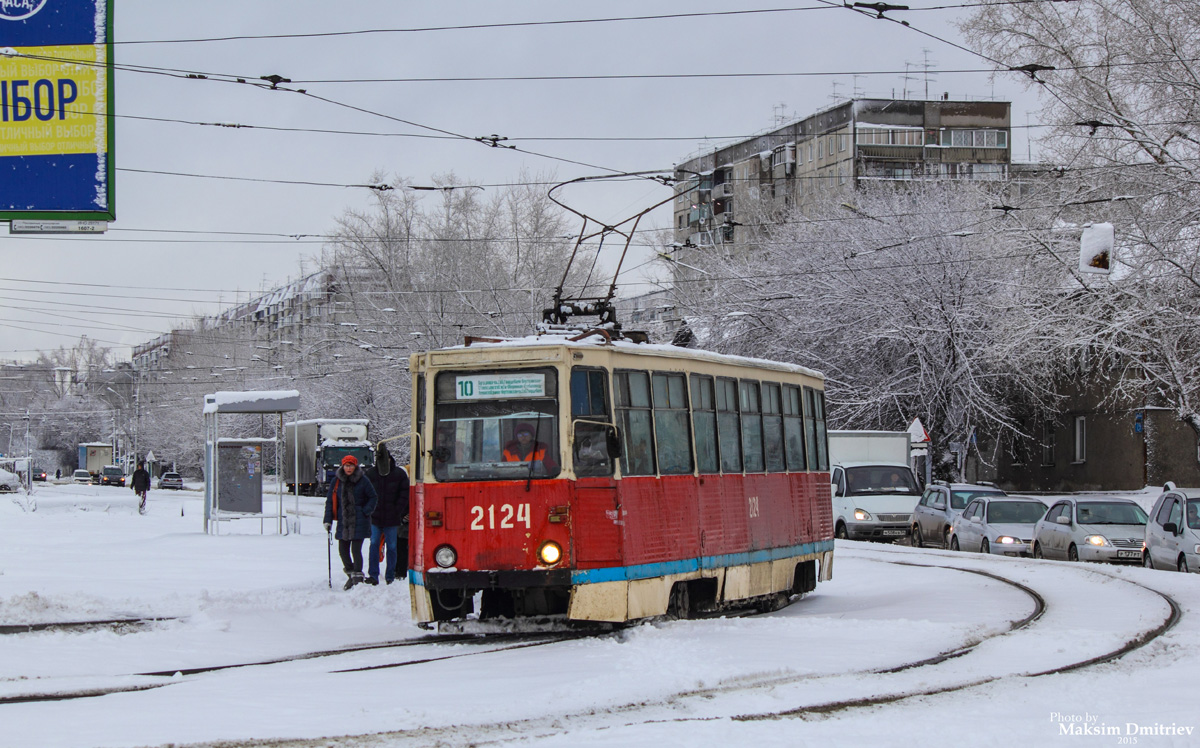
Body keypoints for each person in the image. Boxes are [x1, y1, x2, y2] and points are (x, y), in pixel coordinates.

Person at [323, 454, 379, 590]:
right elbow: (330, 501)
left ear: (355, 466)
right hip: (344, 521)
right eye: (347, 466)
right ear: (343, 466)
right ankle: (351, 574)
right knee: (343, 550)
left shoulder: (363, 480)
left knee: (356, 550)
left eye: (351, 465)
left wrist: (365, 511)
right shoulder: (337, 481)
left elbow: (373, 497)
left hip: (359, 521)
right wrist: (328, 520)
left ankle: (357, 577)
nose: (349, 468)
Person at [365, 443, 410, 585]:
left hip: (392, 518)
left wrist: (398, 511)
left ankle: (390, 575)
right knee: (374, 545)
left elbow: (404, 494)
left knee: (391, 547)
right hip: (375, 518)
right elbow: (364, 494)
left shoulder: (399, 474)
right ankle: (374, 575)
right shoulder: (371, 474)